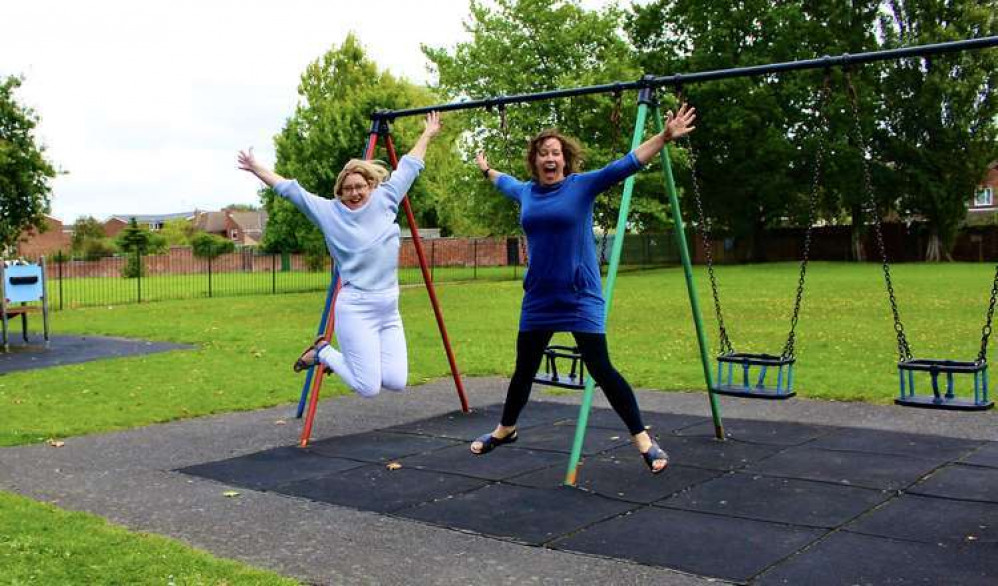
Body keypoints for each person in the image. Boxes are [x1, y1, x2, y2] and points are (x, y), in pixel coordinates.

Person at [470, 104, 696, 474]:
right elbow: (502, 180)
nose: (549, 158)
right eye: (543, 153)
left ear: (565, 159)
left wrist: (665, 137)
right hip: (540, 296)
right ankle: (506, 428)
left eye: (555, 152)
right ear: (535, 160)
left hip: (579, 295)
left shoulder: (581, 186)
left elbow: (626, 164)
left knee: (602, 369)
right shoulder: (526, 192)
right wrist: (485, 169)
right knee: (524, 369)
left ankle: (643, 439)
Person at [237, 112, 442, 398]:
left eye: (359, 187)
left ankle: (335, 356)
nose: (354, 193)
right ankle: (322, 351)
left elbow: (410, 165)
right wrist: (256, 168)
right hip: (357, 307)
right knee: (368, 387)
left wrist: (428, 133)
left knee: (396, 381)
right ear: (340, 192)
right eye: (347, 189)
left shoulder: (386, 198)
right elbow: (289, 190)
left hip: (389, 305)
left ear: (371, 185)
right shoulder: (329, 213)